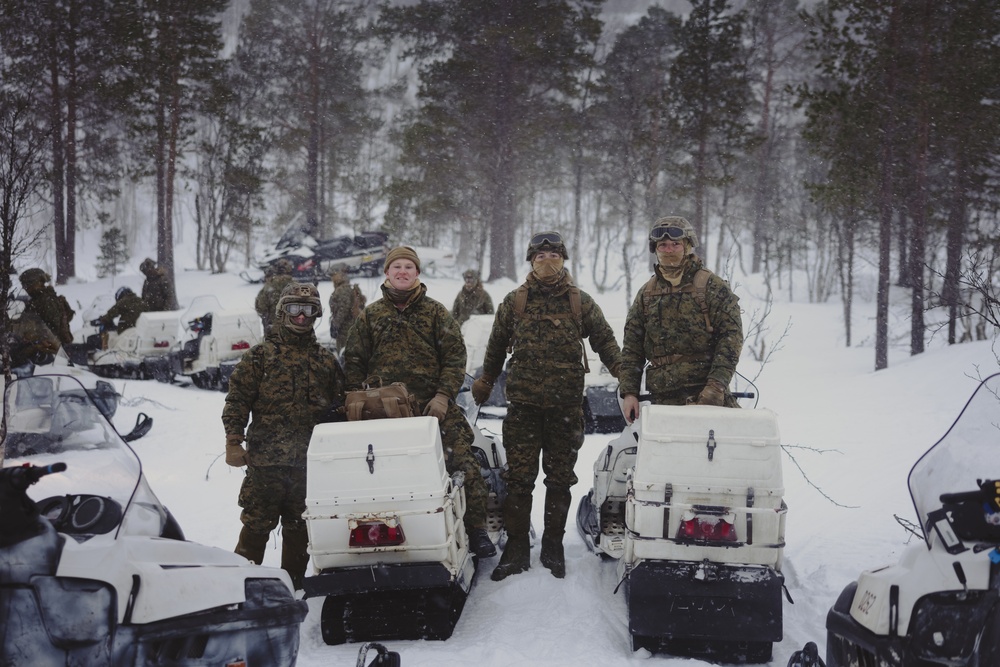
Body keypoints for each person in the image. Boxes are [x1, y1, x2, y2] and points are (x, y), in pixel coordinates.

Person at [471, 231, 621, 581]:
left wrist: (624, 374)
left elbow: (605, 342)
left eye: (554, 256)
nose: (547, 261)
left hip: (566, 409)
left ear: (564, 260)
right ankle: (517, 547)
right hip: (523, 408)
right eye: (540, 257)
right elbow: (494, 347)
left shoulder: (579, 302)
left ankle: (553, 545)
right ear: (531, 262)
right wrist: (485, 381)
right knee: (519, 480)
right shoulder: (515, 302)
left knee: (559, 480)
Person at [343, 245, 496, 559]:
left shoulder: (436, 313)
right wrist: (356, 400)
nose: (402, 272)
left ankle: (476, 528)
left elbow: (455, 358)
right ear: (387, 273)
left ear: (417, 273)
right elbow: (354, 361)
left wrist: (443, 397)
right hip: (382, 410)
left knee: (464, 463)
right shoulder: (371, 316)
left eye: (408, 267)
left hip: (432, 408)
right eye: (396, 267)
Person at [222, 282, 346, 589]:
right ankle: (240, 587)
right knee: (255, 528)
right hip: (266, 464)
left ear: (316, 314)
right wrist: (233, 442)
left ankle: (290, 588)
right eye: (294, 309)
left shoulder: (326, 361)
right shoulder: (260, 357)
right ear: (282, 312)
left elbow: (341, 407)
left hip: (309, 465)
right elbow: (237, 400)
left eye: (308, 311)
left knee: (299, 530)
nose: (301, 317)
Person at [619, 216, 743, 423]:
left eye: (675, 244)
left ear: (687, 246)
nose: (669, 250)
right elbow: (632, 348)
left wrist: (715, 386)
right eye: (663, 245)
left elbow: (731, 338)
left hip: (707, 395)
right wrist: (629, 393)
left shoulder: (711, 286)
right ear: (655, 248)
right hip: (663, 398)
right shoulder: (647, 293)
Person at [19, 268, 75, 346]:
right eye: (24, 285)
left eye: (27, 284)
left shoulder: (46, 300)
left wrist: (36, 334)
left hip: (51, 347)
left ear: (38, 282)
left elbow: (53, 327)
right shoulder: (37, 300)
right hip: (42, 345)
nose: (25, 288)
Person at [255, 259, 295, 336]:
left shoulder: (268, 287)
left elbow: (260, 308)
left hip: (273, 330)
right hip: (295, 330)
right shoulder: (298, 287)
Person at [327, 263, 364, 344]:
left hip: (346, 328)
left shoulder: (343, 290)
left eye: (333, 276)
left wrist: (335, 325)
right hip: (349, 327)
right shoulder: (346, 288)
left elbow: (343, 310)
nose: (332, 279)